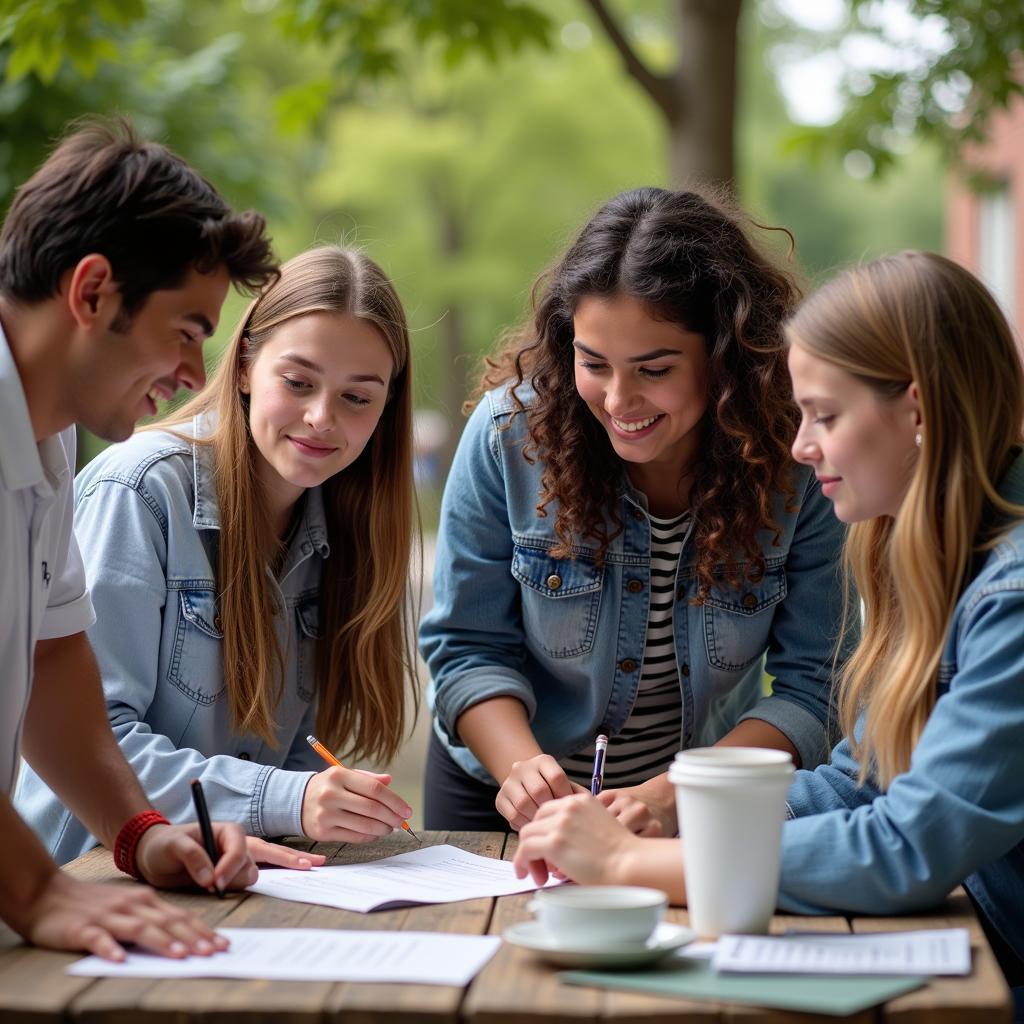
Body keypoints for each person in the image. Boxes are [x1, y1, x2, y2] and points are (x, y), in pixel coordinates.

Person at [511, 250, 1024, 999]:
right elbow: (863, 781)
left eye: (825, 415)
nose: (800, 446)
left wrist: (627, 864)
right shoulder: (941, 558)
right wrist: (690, 819)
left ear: (917, 410)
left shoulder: (1010, 593)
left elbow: (908, 845)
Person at [419, 187, 854, 834]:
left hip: (696, 800)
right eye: (593, 363)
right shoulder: (508, 434)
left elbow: (815, 686)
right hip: (499, 791)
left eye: (654, 369)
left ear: (726, 356)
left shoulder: (800, 461)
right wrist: (523, 770)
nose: (619, 399)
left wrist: (681, 792)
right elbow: (465, 646)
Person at [0, 115, 324, 964]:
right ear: (94, 290)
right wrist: (34, 889)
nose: (193, 374)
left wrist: (140, 831)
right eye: (186, 330)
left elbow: (53, 661)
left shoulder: (46, 445)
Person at [16, 245, 420, 862]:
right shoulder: (142, 491)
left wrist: (320, 800)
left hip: (220, 878)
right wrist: (292, 798)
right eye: (298, 382)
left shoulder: (340, 528)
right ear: (242, 369)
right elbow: (93, 737)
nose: (321, 418)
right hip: (82, 873)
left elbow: (287, 755)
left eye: (357, 398)